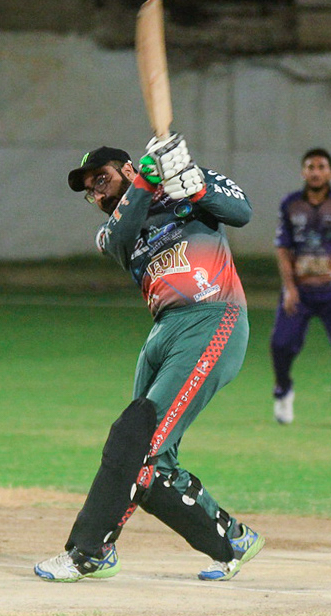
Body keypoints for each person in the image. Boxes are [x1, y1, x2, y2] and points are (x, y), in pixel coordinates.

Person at [34, 134, 264, 583]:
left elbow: (241, 212)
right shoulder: (115, 231)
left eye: (101, 180)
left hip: (212, 318)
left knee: (138, 444)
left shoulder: (186, 191)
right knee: (149, 459)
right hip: (162, 332)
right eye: (90, 192)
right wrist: (146, 181)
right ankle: (231, 539)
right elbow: (118, 236)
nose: (98, 195)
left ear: (126, 168)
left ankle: (90, 551)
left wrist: (196, 186)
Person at [270, 147, 331, 429]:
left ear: (330, 172)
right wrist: (289, 288)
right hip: (300, 291)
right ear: (303, 172)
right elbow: (282, 248)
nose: (316, 172)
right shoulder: (290, 204)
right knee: (280, 344)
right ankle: (283, 390)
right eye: (310, 167)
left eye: (321, 167)